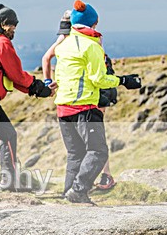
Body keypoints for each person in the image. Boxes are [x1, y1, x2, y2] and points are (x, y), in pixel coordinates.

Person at [53, 0, 141, 204]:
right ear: (93, 24)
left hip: (63, 108)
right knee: (98, 151)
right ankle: (78, 190)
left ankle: (69, 192)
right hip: (84, 107)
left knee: (76, 153)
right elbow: (98, 79)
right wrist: (124, 80)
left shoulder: (64, 46)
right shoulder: (91, 47)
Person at [0, 4, 53, 193]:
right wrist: (38, 87)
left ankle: (9, 182)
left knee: (8, 135)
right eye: (13, 25)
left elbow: (9, 76)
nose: (15, 29)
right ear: (5, 24)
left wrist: (37, 90)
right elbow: (15, 74)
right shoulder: (1, 42)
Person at [42, 10, 117, 191]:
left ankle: (73, 189)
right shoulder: (91, 42)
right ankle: (90, 183)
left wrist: (48, 82)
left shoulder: (64, 43)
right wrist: (120, 81)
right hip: (89, 95)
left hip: (67, 100)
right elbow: (99, 71)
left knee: (78, 151)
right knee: (97, 144)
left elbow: (46, 58)